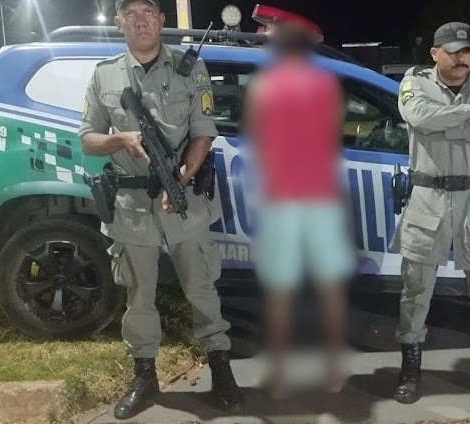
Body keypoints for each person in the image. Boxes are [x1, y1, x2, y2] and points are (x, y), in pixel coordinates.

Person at [78, 0, 242, 418]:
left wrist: (181, 178)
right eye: (131, 13)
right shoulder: (104, 74)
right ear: (119, 22)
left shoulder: (192, 68)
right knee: (139, 295)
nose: (140, 20)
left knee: (201, 287)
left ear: (161, 20)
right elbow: (88, 138)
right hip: (132, 204)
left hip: (184, 196)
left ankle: (220, 367)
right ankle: (144, 376)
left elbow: (204, 132)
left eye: (148, 12)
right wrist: (120, 140)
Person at [390, 22, 470, 404]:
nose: (461, 58)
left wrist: (448, 125)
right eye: (452, 51)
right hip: (428, 198)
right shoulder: (415, 82)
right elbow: (419, 117)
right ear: (435, 53)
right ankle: (410, 367)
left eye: (466, 51)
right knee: (416, 290)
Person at [243, 20, 356, 399]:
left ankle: (277, 375)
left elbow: (257, 137)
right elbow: (331, 134)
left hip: (280, 200)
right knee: (330, 290)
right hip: (321, 197)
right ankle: (334, 371)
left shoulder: (263, 87)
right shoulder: (325, 84)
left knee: (279, 293)